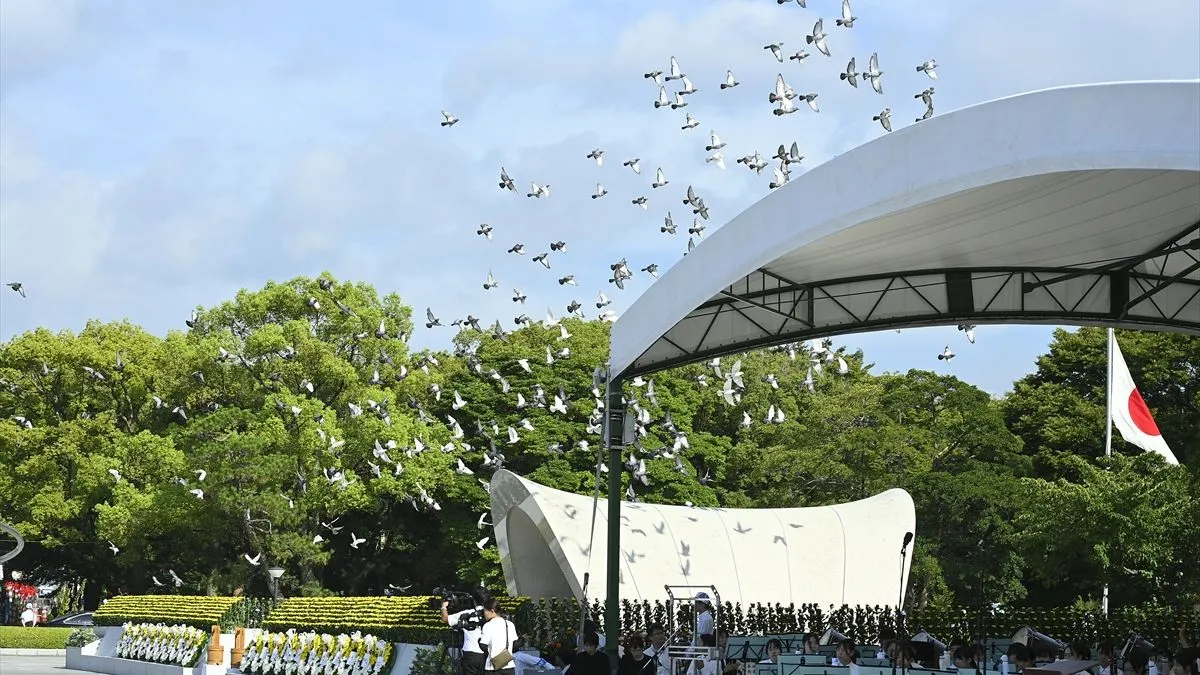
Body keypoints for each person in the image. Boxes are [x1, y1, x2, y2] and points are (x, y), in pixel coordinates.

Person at [441, 588, 490, 675]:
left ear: (474, 600)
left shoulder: (467, 614)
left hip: (471, 655)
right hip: (488, 654)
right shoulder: (492, 614)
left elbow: (446, 619)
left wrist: (443, 607)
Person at [480, 598, 518, 675]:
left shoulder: (488, 625)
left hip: (492, 667)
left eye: (485, 611)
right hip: (508, 666)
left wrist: (478, 641)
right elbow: (515, 644)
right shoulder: (509, 624)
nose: (484, 613)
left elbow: (483, 646)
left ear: (492, 611)